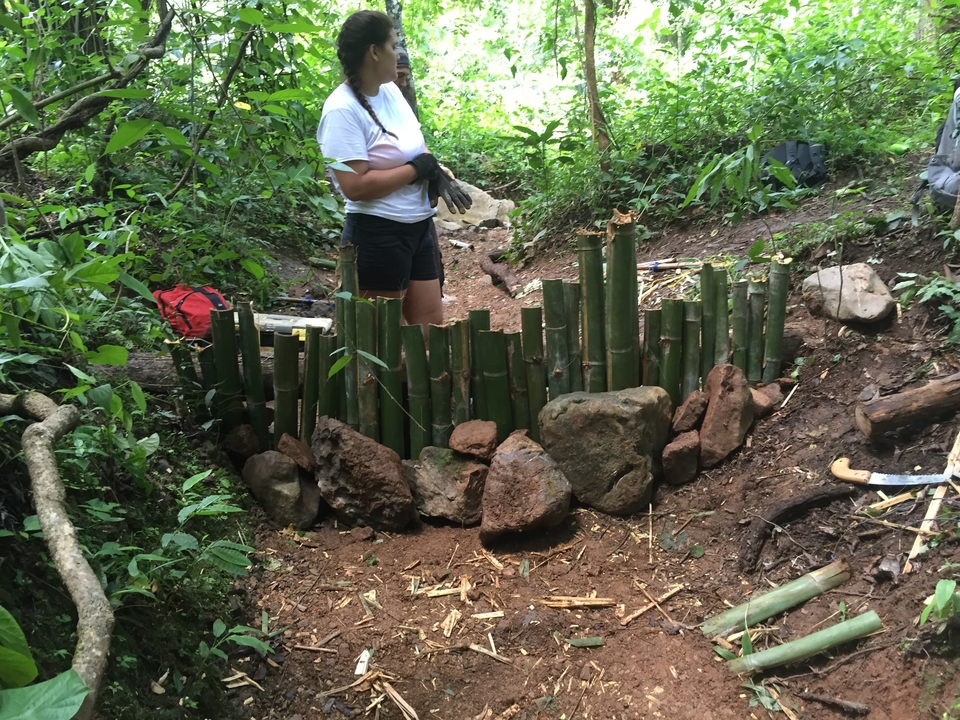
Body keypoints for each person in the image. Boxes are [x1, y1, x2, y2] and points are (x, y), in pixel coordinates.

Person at [317, 10, 469, 333]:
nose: (397, 53)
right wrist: (416, 170)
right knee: (382, 340)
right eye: (392, 45)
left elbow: (417, 146)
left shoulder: (390, 92)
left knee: (429, 332)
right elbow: (354, 186)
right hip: (377, 235)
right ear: (374, 52)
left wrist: (434, 172)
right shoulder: (341, 110)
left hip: (418, 229)